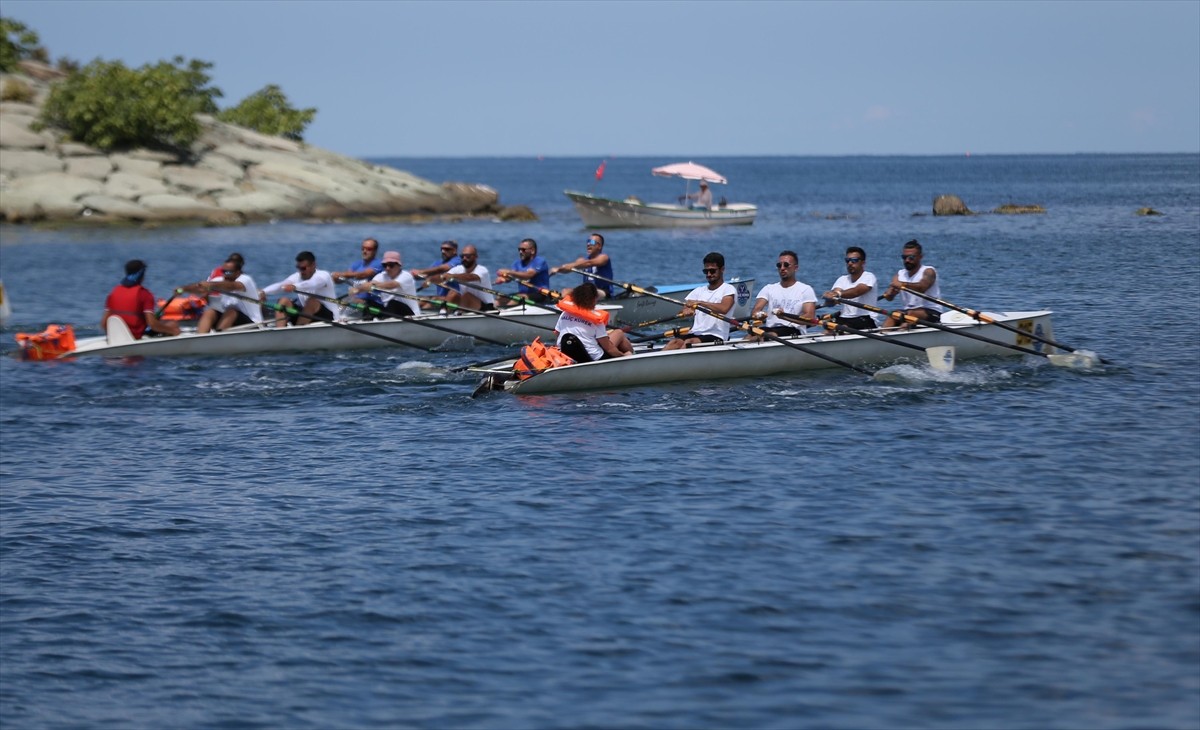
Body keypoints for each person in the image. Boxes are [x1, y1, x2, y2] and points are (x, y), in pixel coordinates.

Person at [663, 252, 737, 350]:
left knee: (690, 342)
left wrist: (701, 303)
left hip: (716, 335)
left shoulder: (728, 289)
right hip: (695, 332)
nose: (709, 274)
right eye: (706, 271)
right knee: (675, 342)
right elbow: (686, 308)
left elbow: (724, 309)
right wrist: (686, 312)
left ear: (722, 269)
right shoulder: (698, 291)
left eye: (712, 271)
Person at [745, 250, 817, 342]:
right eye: (779, 265)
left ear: (796, 268)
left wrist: (784, 317)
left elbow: (810, 317)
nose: (782, 268)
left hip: (794, 330)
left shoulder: (806, 289)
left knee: (769, 335)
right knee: (749, 337)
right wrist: (759, 315)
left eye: (786, 265)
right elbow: (756, 310)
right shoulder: (768, 288)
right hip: (771, 329)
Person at [180, 256, 263, 333]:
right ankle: (200, 338)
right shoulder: (219, 280)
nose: (225, 275)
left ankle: (219, 337)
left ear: (238, 272)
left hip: (252, 325)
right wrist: (183, 289)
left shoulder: (245, 280)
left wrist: (211, 285)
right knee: (210, 312)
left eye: (229, 272)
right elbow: (200, 288)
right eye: (223, 271)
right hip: (231, 322)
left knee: (231, 311)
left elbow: (233, 286)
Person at [554, 282, 632, 362]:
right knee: (619, 332)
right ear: (593, 299)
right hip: (595, 358)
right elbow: (609, 349)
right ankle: (632, 358)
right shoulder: (597, 320)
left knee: (606, 336)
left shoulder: (565, 313)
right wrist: (623, 356)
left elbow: (557, 333)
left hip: (567, 354)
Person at [101, 259, 180, 339]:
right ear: (142, 275)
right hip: (136, 336)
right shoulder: (145, 294)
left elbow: (103, 324)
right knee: (173, 324)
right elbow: (153, 325)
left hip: (115, 336)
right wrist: (173, 331)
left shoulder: (114, 292)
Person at [260, 251, 339, 327]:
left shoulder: (323, 275)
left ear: (313, 265)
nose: (301, 271)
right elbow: (281, 285)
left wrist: (295, 286)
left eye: (303, 268)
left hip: (328, 317)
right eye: (298, 267)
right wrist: (263, 292)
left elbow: (312, 283)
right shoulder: (297, 276)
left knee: (312, 300)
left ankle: (298, 330)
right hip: (307, 315)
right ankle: (279, 332)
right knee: (283, 301)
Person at [880, 239, 943, 328]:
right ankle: (882, 336)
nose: (907, 260)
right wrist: (890, 294)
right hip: (908, 313)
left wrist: (902, 285)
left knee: (910, 314)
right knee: (893, 314)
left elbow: (922, 287)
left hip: (932, 313)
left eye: (911, 257)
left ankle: (903, 332)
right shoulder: (900, 274)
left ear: (920, 257)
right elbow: (889, 298)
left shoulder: (929, 271)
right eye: (904, 257)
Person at [822, 246, 878, 331]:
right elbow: (835, 294)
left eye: (854, 260)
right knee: (827, 325)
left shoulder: (869, 277)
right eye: (847, 261)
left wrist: (838, 294)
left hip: (866, 318)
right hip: (844, 318)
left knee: (843, 328)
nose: (850, 263)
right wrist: (829, 297)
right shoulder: (842, 279)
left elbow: (857, 291)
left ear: (863, 263)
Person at [427, 244, 495, 311]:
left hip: (485, 307)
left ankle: (458, 313)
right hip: (467, 304)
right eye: (462, 256)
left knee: (467, 296)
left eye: (468, 256)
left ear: (475, 257)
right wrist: (432, 279)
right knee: (453, 293)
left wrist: (452, 276)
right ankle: (443, 314)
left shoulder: (482, 270)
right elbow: (444, 277)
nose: (464, 258)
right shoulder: (458, 269)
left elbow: (470, 277)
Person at [353, 250, 418, 318]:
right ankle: (367, 323)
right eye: (385, 265)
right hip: (390, 311)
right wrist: (357, 289)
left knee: (392, 303)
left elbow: (391, 285)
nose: (387, 268)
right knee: (369, 303)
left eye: (391, 265)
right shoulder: (381, 276)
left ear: (399, 265)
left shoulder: (406, 276)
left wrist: (371, 286)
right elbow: (369, 285)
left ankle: (385, 322)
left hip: (410, 314)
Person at [551, 233, 615, 300]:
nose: (588, 244)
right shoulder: (582, 260)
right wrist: (558, 269)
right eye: (587, 241)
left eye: (591, 242)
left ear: (599, 246)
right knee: (565, 291)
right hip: (586, 291)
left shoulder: (604, 258)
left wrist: (571, 266)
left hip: (603, 292)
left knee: (587, 291)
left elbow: (589, 263)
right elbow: (568, 269)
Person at [494, 238, 551, 306]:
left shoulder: (540, 261)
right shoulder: (517, 263)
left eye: (523, 250)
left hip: (541, 295)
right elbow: (511, 277)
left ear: (532, 250)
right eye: (519, 250)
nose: (520, 252)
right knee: (500, 299)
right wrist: (503, 279)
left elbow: (528, 275)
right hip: (523, 294)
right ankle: (491, 313)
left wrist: (509, 272)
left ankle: (506, 313)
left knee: (518, 298)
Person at [331, 237, 383, 309]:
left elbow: (363, 275)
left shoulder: (379, 264)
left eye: (368, 249)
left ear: (375, 251)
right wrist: (336, 278)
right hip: (355, 301)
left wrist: (341, 274)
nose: (364, 251)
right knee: (331, 304)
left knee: (347, 302)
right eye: (363, 248)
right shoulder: (356, 264)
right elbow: (345, 277)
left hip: (373, 302)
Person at [411, 240, 462, 309]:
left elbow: (442, 269)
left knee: (429, 304)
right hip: (441, 298)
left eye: (447, 249)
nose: (443, 251)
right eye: (442, 249)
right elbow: (426, 275)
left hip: (456, 298)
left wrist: (420, 272)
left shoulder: (458, 261)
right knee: (417, 302)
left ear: (454, 251)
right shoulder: (438, 263)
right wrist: (412, 275)